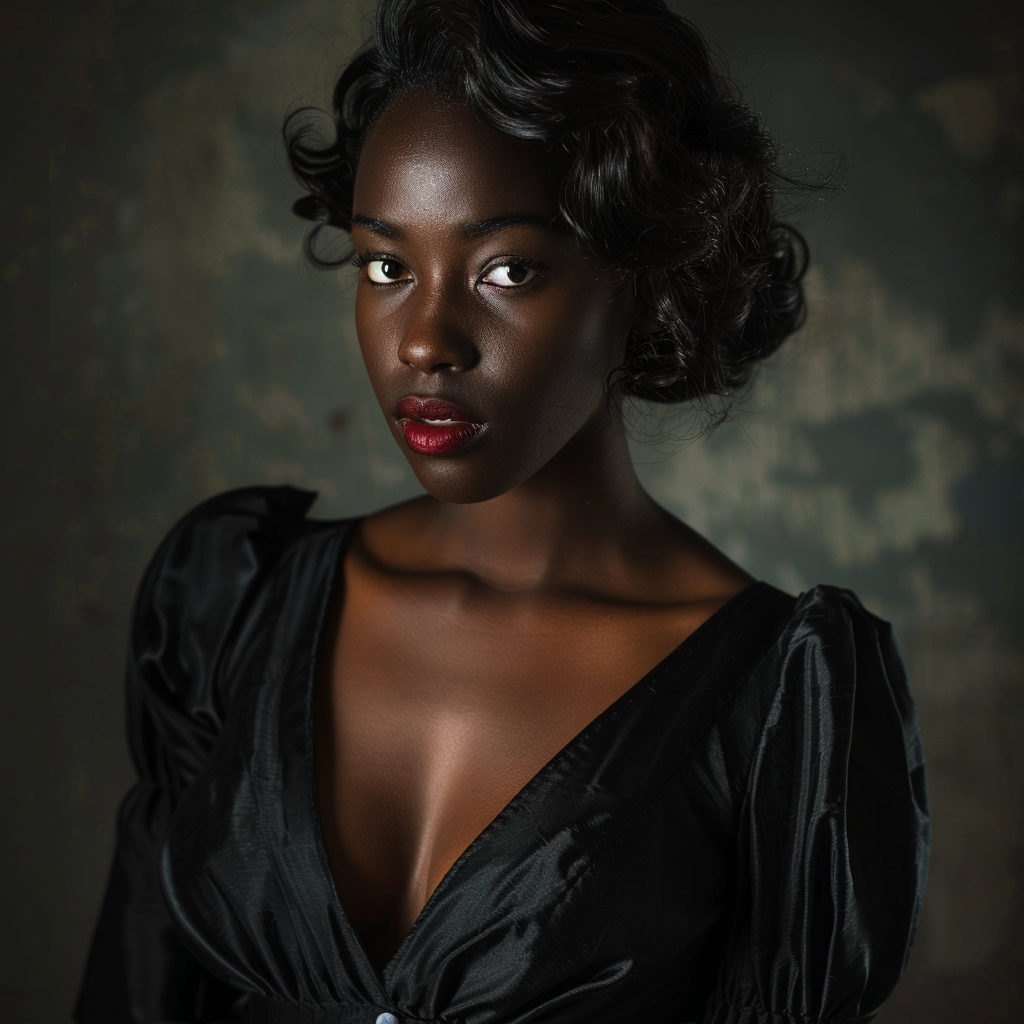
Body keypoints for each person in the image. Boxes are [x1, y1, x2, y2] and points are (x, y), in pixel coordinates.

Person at [74, 1, 930, 1022]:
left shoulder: (782, 706)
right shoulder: (227, 600)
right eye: (386, 265)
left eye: (507, 271)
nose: (426, 339)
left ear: (647, 284)